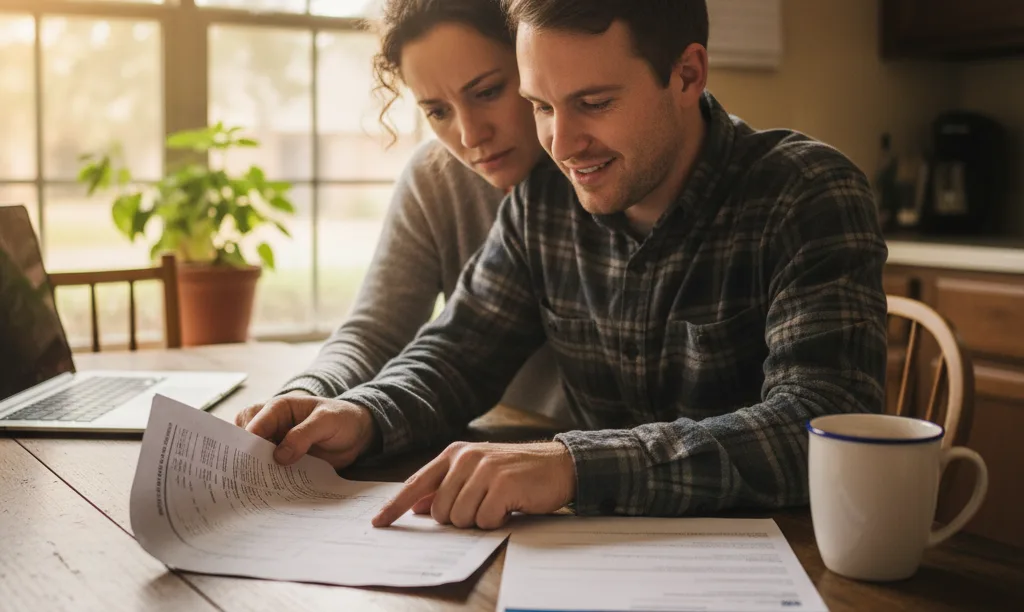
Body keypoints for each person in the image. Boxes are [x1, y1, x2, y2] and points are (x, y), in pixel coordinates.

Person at [239, 0, 888, 531]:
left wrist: (571, 466)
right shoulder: (543, 199)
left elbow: (825, 422)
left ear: (688, 75)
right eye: (542, 107)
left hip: (775, 563)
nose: (562, 144)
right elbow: (457, 352)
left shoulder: (805, 192)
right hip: (592, 551)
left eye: (594, 103)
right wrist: (365, 414)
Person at [236, 0, 568, 429]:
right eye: (437, 111)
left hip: (591, 458)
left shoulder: (598, 177)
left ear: (531, 59)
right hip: (482, 434)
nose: (470, 135)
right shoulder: (437, 177)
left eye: (487, 92)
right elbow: (382, 332)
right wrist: (307, 393)